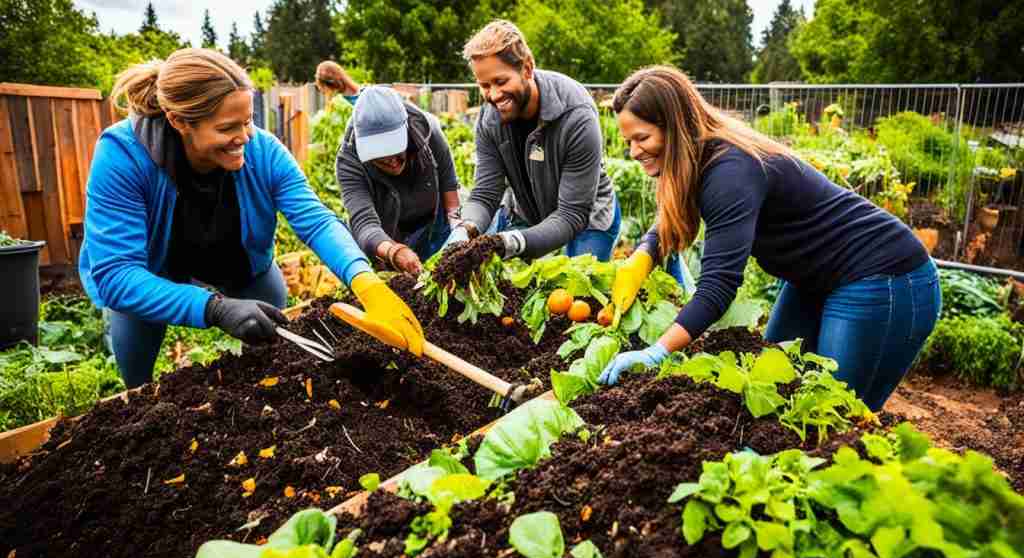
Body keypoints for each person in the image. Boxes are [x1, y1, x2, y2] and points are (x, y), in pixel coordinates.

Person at [598, 66, 940, 412]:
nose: (634, 151)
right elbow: (670, 220)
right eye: (628, 142)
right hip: (814, 279)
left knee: (832, 415)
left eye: (642, 138)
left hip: (883, 278)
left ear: (676, 126)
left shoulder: (729, 170)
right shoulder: (696, 159)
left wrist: (657, 352)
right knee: (772, 391)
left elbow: (718, 285)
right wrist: (642, 256)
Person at [79, 48, 423, 388]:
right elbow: (117, 274)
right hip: (151, 272)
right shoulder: (123, 157)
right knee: (137, 376)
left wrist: (364, 279)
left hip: (234, 259)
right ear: (179, 121)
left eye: (248, 121)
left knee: (269, 338)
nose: (244, 137)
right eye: (228, 127)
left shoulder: (263, 151)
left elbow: (316, 221)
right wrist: (214, 309)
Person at [445, 20, 621, 261]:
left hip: (586, 214)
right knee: (506, 289)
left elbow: (571, 215)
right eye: (484, 85)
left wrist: (513, 242)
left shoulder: (575, 114)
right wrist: (466, 229)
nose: (494, 95)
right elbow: (486, 193)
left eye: (501, 81)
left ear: (527, 68)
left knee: (579, 292)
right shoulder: (489, 119)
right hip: (526, 211)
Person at [336, 86, 462, 276]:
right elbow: (364, 224)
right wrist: (394, 251)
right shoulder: (349, 160)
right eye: (380, 155)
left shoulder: (427, 131)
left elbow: (449, 184)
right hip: (387, 236)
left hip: (432, 224)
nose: (392, 161)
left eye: (395, 151)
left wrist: (458, 233)